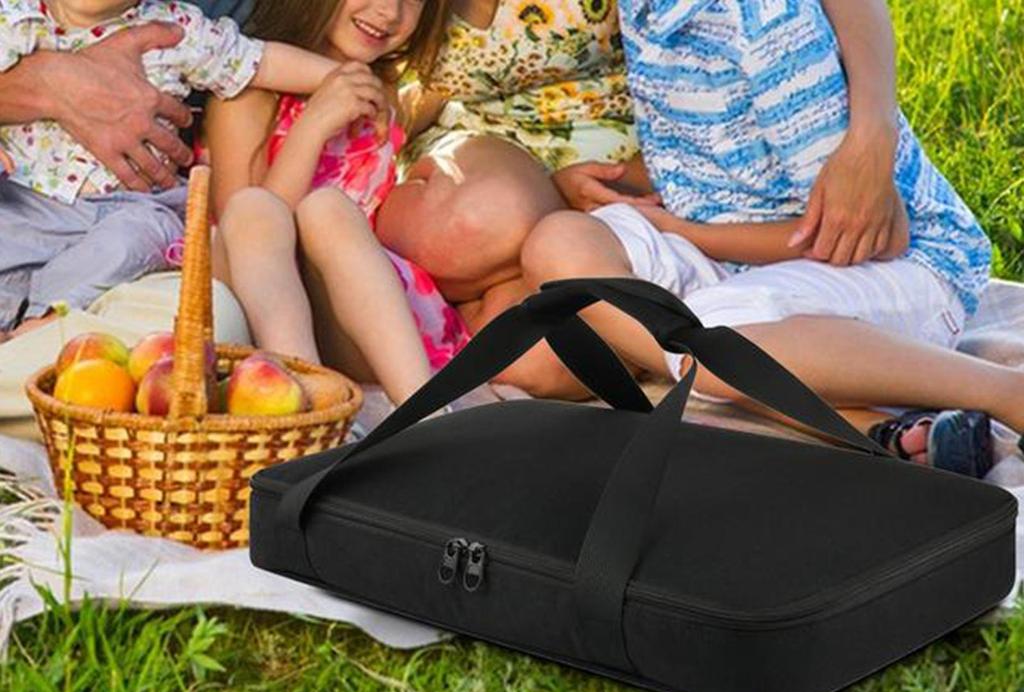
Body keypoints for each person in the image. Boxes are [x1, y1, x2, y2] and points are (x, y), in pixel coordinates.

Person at [520, 0, 1010, 475]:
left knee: (718, 340)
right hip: (743, 262)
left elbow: (877, 236)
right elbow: (720, 149)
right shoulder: (647, 10)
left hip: (896, 267)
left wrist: (684, 233)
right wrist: (617, 182)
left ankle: (1003, 392)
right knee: (560, 242)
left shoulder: (765, 27)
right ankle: (869, 425)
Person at [373, 0, 914, 394]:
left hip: (636, 164)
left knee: (535, 359)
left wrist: (873, 131)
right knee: (462, 229)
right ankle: (574, 274)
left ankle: (583, 280)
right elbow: (396, 69)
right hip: (495, 155)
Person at [0, 0, 353, 337]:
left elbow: (259, 61)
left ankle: (40, 322)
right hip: (26, 202)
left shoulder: (176, 29)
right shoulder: (13, 18)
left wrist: (343, 78)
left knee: (135, 239)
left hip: (131, 206)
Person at [205, 0, 466, 407]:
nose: (389, 12)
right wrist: (314, 125)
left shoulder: (387, 97)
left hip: (348, 319)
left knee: (326, 209)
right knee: (257, 207)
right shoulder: (246, 93)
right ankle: (304, 405)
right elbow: (247, 230)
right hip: (253, 295)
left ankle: (424, 412)